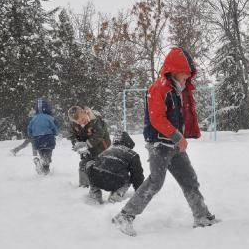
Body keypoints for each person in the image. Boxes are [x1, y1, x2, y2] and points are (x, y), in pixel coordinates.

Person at [112, 47, 218, 236]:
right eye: (186, 74)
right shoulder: (159, 88)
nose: (188, 78)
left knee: (189, 179)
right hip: (159, 145)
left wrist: (182, 136)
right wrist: (178, 136)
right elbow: (157, 119)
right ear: (175, 70)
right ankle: (125, 216)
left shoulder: (177, 90)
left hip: (174, 146)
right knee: (155, 182)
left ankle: (202, 215)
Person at [83, 131, 145, 204]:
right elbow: (137, 176)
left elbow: (95, 164)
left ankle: (95, 194)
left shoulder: (106, 151)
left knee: (92, 168)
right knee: (129, 179)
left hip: (97, 179)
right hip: (116, 181)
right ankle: (115, 197)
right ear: (129, 142)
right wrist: (140, 191)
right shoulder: (132, 154)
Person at [68, 105, 111, 188]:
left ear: (84, 112)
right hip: (86, 148)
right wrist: (76, 144)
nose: (81, 123)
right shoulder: (75, 123)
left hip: (102, 147)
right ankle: (84, 185)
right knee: (83, 164)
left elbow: (99, 135)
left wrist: (86, 145)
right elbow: (72, 135)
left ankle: (102, 184)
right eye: (78, 122)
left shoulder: (96, 119)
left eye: (83, 120)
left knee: (100, 165)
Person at [27, 98, 59, 175]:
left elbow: (29, 128)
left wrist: (31, 135)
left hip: (37, 139)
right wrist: (55, 133)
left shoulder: (34, 118)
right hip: (48, 137)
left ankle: (43, 168)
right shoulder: (49, 117)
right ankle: (43, 164)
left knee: (42, 153)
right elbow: (54, 127)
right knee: (48, 155)